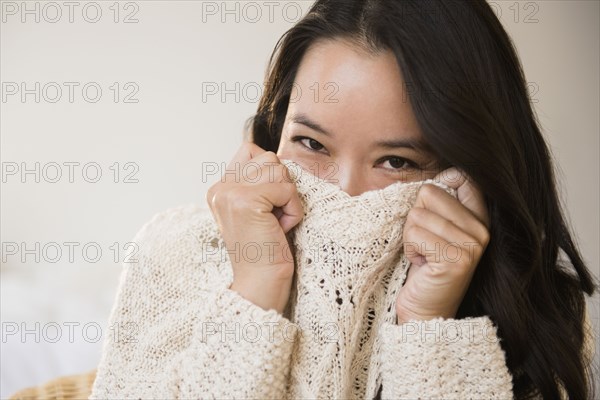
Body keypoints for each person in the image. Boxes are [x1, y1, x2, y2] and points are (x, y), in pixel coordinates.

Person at [206, 0, 597, 398]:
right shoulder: (170, 258)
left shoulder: (537, 325)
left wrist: (429, 330)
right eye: (312, 143)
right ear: (275, 133)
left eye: (396, 161)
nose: (347, 192)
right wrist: (255, 291)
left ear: (465, 176)